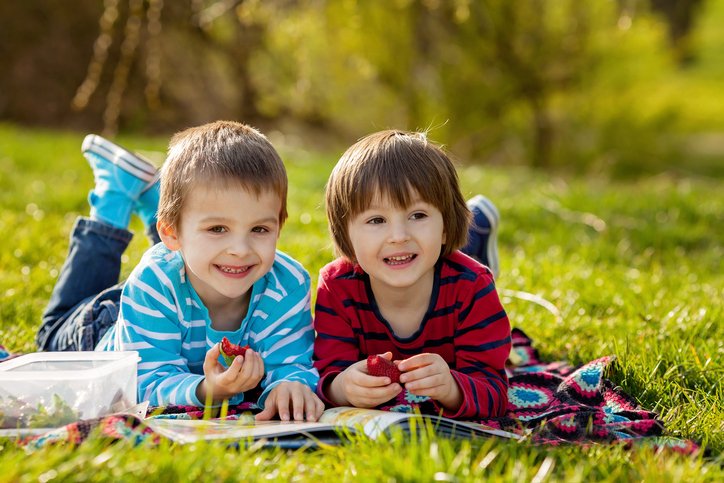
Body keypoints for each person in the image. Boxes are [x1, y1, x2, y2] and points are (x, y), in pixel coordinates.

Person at [37, 121, 323, 422]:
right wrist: (206, 389)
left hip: (180, 284)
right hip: (106, 326)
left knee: (192, 246)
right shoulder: (152, 283)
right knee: (50, 336)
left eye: (260, 229)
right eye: (218, 228)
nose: (241, 249)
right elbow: (144, 382)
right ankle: (113, 198)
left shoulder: (287, 283)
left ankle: (155, 203)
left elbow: (292, 361)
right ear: (170, 233)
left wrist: (290, 385)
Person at [313, 130, 511, 419]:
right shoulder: (337, 287)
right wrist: (342, 387)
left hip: (454, 268)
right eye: (377, 220)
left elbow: (494, 392)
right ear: (346, 236)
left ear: (445, 226)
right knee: (424, 249)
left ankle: (474, 227)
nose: (398, 236)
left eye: (417, 215)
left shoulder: (473, 286)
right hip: (428, 254)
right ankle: (473, 227)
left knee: (463, 260)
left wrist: (453, 389)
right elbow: (325, 373)